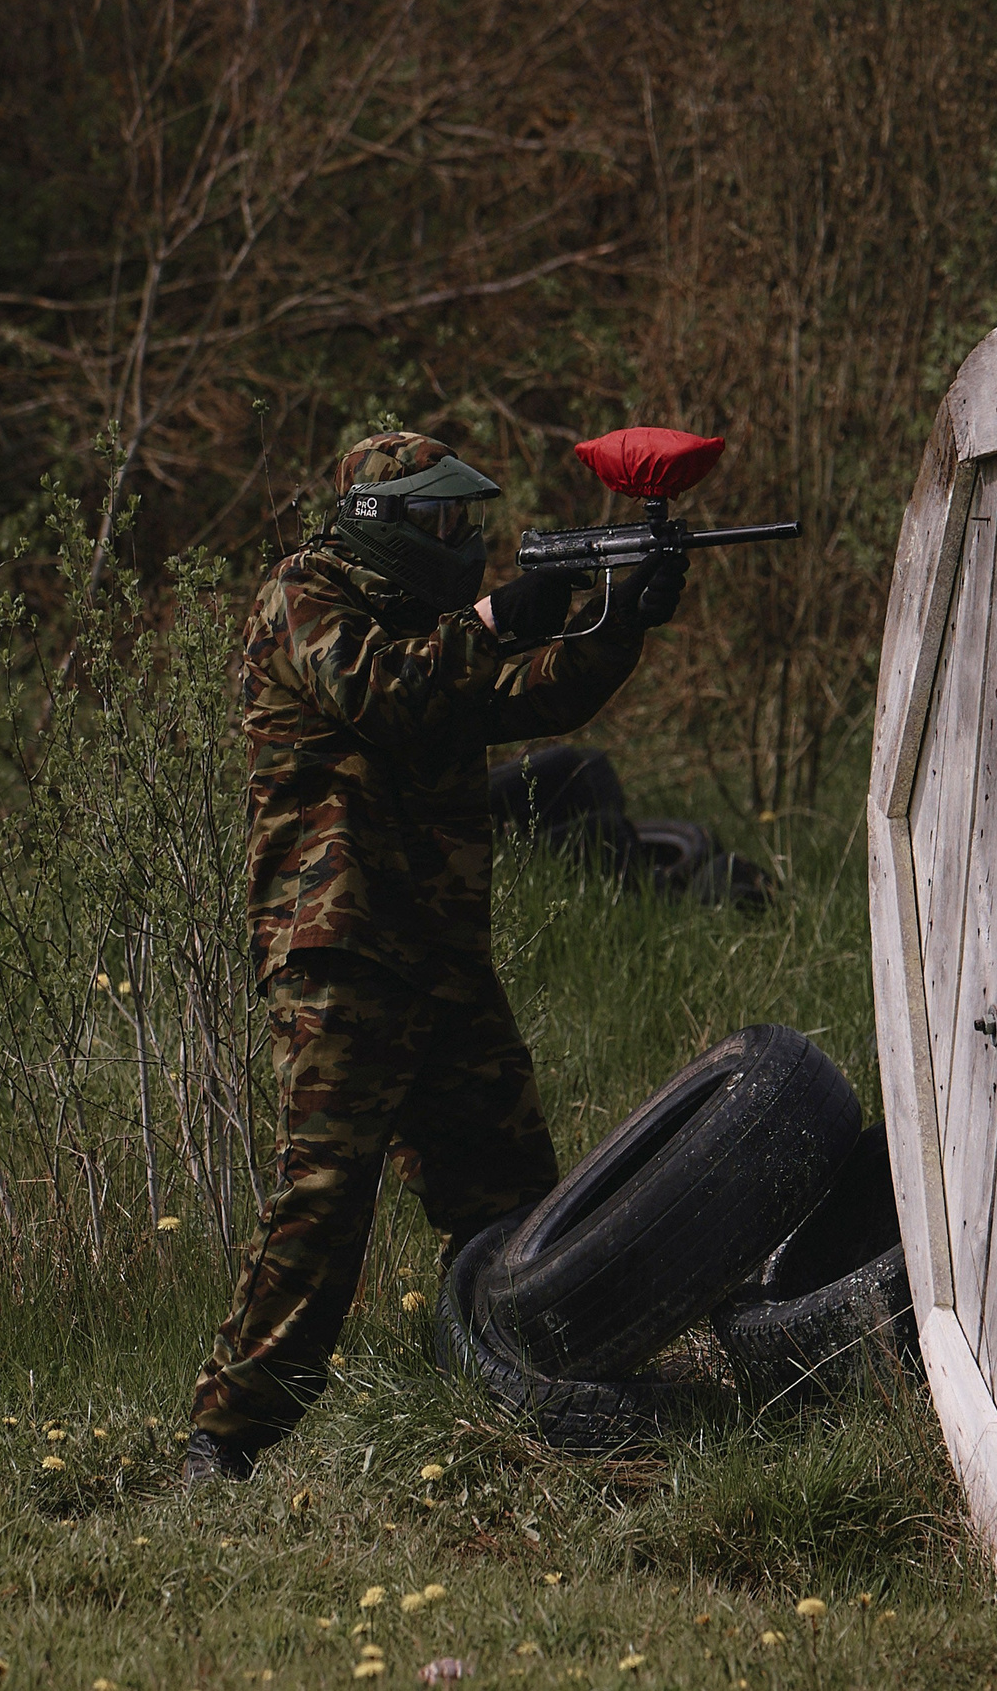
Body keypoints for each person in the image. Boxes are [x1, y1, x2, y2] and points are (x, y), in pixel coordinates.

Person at [182, 431, 686, 1485]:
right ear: (386, 525)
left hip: (442, 953)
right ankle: (223, 1439)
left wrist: (617, 619)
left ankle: (533, 1407)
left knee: (514, 1202)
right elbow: (386, 693)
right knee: (323, 1200)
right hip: (342, 949)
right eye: (444, 523)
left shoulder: (431, 631)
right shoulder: (302, 601)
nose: (462, 541)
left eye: (469, 524)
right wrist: (500, 615)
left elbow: (529, 696)